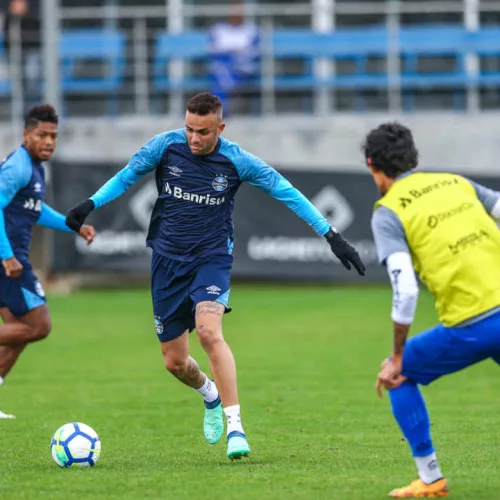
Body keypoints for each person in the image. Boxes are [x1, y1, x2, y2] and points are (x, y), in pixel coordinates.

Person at [66, 92, 365, 460]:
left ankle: (236, 428)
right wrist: (89, 204)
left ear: (220, 128)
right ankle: (210, 394)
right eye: (190, 129)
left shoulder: (237, 161)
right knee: (174, 362)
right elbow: (126, 176)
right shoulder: (165, 146)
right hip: (167, 261)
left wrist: (332, 236)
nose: (194, 138)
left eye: (203, 132)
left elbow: (289, 194)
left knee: (209, 331)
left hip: (211, 258)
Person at [366, 122, 500, 498]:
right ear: (413, 157)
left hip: (472, 324)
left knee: (398, 375)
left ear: (371, 164)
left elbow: (405, 290)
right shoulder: (456, 182)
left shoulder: (388, 211)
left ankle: (431, 478)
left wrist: (396, 356)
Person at [0, 104, 95, 419]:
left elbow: (35, 209)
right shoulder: (19, 167)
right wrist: (8, 256)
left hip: (11, 259)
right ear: (26, 134)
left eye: (54, 136)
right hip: (8, 261)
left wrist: (74, 226)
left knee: (18, 331)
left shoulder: (35, 165)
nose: (49, 141)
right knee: (38, 326)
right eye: (42, 135)